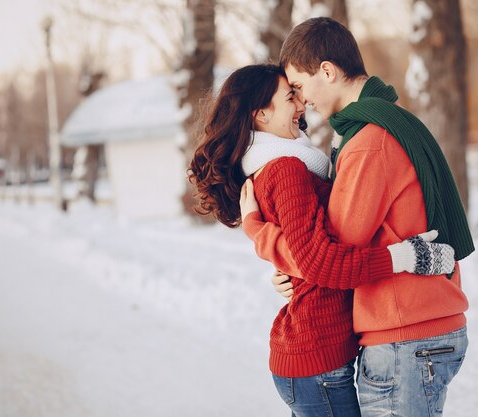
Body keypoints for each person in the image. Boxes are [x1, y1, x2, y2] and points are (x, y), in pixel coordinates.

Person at [188, 64, 456, 417]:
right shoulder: (286, 168)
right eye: (290, 96)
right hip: (317, 357)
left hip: (316, 355)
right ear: (262, 114)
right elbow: (321, 262)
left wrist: (272, 248)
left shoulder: (281, 163)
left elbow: (306, 255)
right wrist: (405, 258)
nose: (301, 104)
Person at [238, 18, 474, 417]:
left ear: (327, 72)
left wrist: (263, 234)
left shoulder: (368, 141)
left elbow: (330, 250)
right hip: (412, 328)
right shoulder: (377, 124)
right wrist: (293, 264)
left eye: (298, 86)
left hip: (404, 333)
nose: (300, 101)